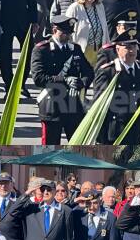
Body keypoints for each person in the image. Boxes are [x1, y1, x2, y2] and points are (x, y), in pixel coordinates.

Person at [30, 15, 94, 144]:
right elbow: (38, 78)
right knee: (50, 148)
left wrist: (81, 83)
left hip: (73, 107)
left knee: (78, 147)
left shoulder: (74, 49)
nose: (68, 36)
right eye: (64, 33)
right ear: (54, 30)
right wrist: (65, 81)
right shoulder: (42, 50)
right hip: (52, 107)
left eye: (70, 33)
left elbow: (88, 71)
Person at [94, 28, 140, 144]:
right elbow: (99, 107)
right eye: (127, 47)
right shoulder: (108, 72)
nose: (132, 51)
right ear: (118, 49)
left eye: (134, 47)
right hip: (113, 134)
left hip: (137, 133)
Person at [66, 0, 109, 66]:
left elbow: (105, 31)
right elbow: (66, 33)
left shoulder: (100, 7)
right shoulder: (75, 8)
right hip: (81, 53)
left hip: (99, 54)